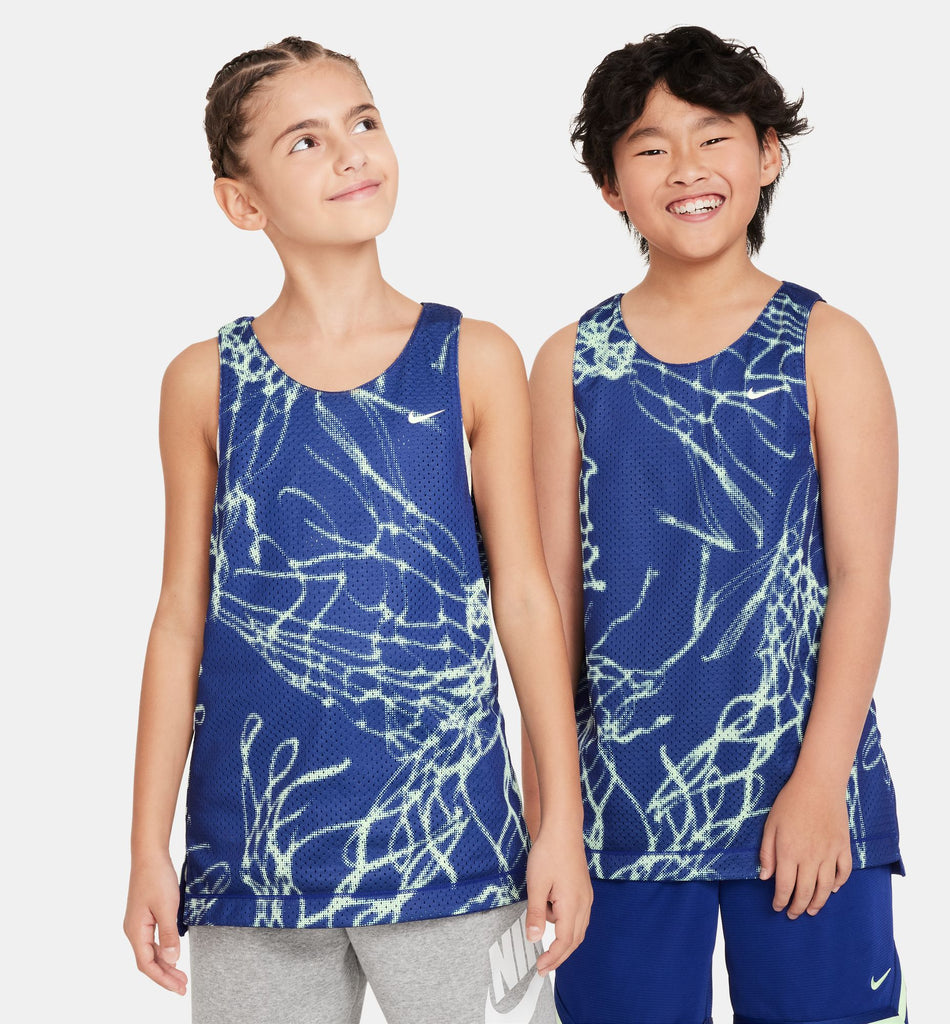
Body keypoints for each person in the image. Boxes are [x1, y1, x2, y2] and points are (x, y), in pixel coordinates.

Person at [123, 36, 590, 1024]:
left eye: (364, 121)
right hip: (254, 864)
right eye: (305, 140)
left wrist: (560, 822)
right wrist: (146, 849)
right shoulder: (204, 383)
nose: (351, 152)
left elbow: (524, 597)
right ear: (241, 202)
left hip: (456, 852)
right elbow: (178, 621)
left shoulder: (474, 358)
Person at [522, 25, 906, 1024]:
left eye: (714, 137)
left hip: (804, 794)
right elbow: (548, 610)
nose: (686, 169)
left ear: (767, 154)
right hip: (621, 815)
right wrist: (549, 811)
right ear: (610, 186)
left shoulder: (827, 344)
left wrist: (820, 782)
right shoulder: (568, 361)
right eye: (650, 147)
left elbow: (861, 581)